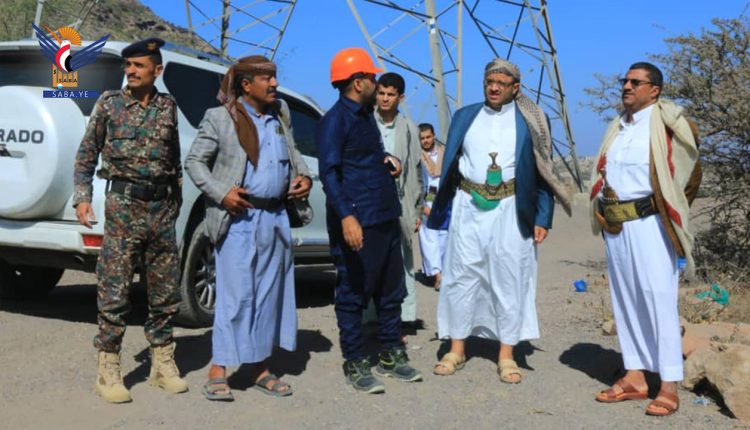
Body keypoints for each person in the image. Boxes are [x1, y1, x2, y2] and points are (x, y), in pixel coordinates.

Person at [427, 58, 571, 383]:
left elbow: (543, 171)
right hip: (468, 206)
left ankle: (506, 355)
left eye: (501, 84)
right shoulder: (465, 116)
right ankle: (457, 348)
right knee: (461, 276)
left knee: (509, 278)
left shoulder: (531, 120)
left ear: (515, 88)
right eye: (489, 82)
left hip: (511, 208)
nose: (494, 88)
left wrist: (543, 217)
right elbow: (451, 163)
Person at [185, 55, 312, 401]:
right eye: (266, 79)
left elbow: (294, 154)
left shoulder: (279, 114)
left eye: (274, 77)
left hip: (276, 218)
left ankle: (259, 368)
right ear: (245, 85)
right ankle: (218, 370)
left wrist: (303, 177)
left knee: (269, 296)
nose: (274, 84)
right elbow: (194, 162)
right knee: (237, 296)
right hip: (239, 219)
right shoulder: (220, 117)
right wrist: (221, 192)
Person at [73, 38, 188, 403]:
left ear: (157, 70)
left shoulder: (168, 107)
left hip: (161, 209)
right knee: (115, 289)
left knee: (164, 290)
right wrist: (82, 198)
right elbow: (86, 154)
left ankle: (162, 363)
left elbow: (174, 161)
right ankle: (108, 367)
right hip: (124, 206)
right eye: (128, 65)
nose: (131, 71)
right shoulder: (109, 104)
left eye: (139, 65)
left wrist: (175, 203)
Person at [590, 62, 700, 416]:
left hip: (651, 224)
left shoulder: (668, 124)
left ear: (654, 90)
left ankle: (669, 383)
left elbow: (690, 175)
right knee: (626, 299)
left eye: (635, 82)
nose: (626, 86)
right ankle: (635, 376)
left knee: (658, 298)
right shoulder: (618, 127)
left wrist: (669, 209)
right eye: (624, 80)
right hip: (616, 225)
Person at [316, 47, 423, 394]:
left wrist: (387, 160)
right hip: (358, 220)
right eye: (372, 77)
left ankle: (390, 353)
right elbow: (330, 173)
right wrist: (347, 216)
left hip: (384, 215)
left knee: (391, 290)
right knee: (353, 293)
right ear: (358, 81)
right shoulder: (334, 121)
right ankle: (355, 360)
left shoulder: (365, 116)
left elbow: (365, 158)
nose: (377, 84)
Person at [363, 72, 422, 329]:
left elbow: (416, 171)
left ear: (401, 98)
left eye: (390, 94)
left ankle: (401, 318)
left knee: (401, 261)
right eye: (381, 93)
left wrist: (417, 209)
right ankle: (370, 317)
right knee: (370, 260)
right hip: (369, 203)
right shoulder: (365, 123)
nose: (385, 99)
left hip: (400, 204)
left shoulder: (408, 128)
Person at [414, 123, 447, 291]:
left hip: (445, 201)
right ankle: (437, 276)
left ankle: (445, 273)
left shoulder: (444, 153)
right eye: (422, 138)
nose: (426, 141)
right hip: (427, 201)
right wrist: (422, 206)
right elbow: (416, 184)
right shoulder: (416, 157)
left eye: (428, 137)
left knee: (444, 239)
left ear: (434, 136)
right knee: (429, 240)